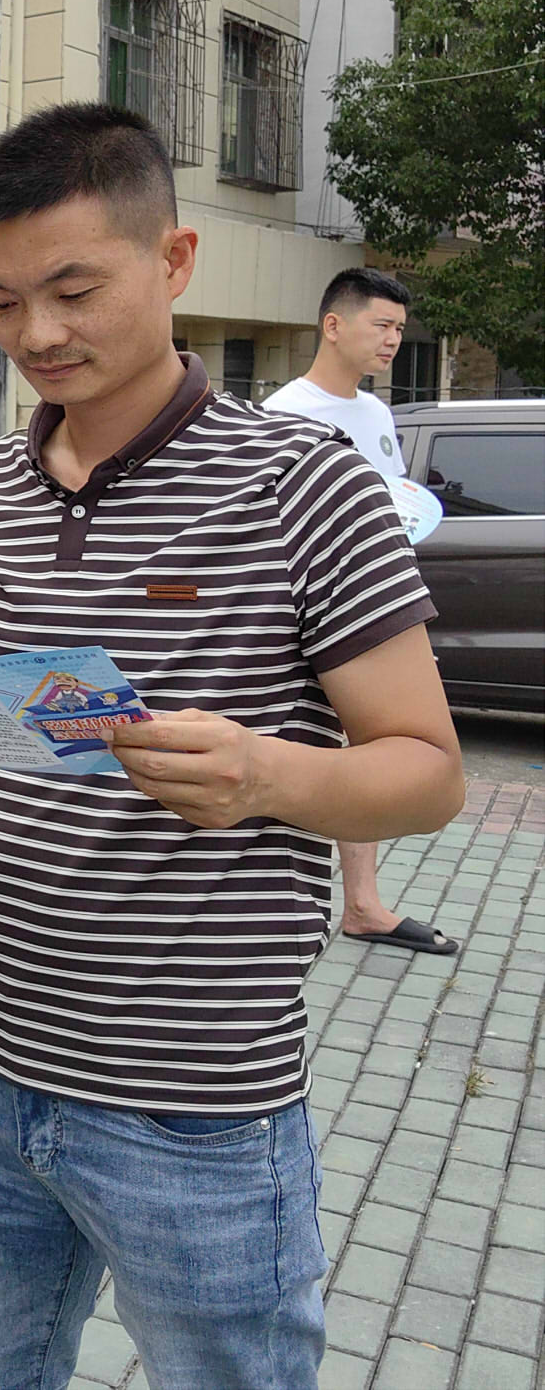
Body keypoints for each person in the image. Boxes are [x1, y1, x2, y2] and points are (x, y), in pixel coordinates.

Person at [0, 104, 463, 1390]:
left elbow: (427, 766)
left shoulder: (301, 485)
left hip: (193, 1099)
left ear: (171, 260)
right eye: (0, 301)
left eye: (71, 289)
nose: (36, 335)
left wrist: (267, 771)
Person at [263, 267, 458, 957]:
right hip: (304, 617)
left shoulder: (376, 415)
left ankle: (362, 903)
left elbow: (386, 504)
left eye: (400, 330)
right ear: (333, 325)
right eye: (381, 325)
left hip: (374, 610)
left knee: (379, 745)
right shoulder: (286, 414)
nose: (392, 341)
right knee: (302, 750)